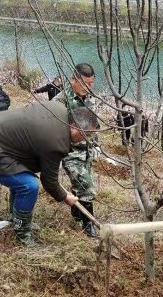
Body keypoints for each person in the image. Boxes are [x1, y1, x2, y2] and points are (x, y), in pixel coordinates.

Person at [0, 101, 98, 245]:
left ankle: (15, 217)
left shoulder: (57, 108)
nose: (86, 139)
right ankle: (22, 231)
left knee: (21, 176)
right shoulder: (56, 142)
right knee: (28, 185)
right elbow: (49, 182)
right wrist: (65, 196)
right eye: (86, 134)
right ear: (74, 127)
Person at [53, 63, 99, 237]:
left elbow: (94, 123)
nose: (89, 86)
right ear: (73, 79)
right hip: (70, 151)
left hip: (86, 150)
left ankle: (76, 212)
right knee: (86, 186)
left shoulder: (91, 98)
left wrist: (95, 143)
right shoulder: (60, 101)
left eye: (91, 82)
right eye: (85, 83)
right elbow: (53, 128)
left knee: (80, 184)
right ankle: (89, 225)